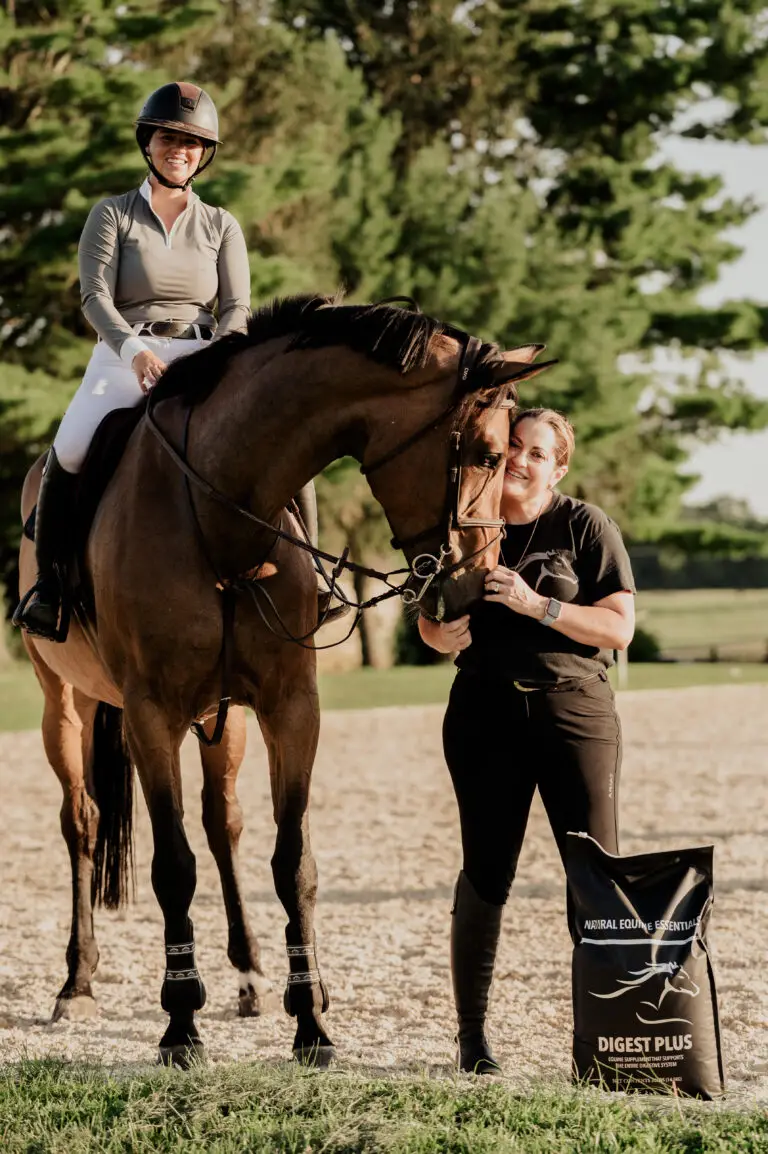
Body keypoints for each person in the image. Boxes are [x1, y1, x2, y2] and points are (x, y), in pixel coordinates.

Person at [14, 82, 331, 640]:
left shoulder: (220, 225)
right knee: (69, 447)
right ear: (149, 143)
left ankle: (320, 573)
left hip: (206, 351)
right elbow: (94, 297)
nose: (178, 149)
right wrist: (133, 351)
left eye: (190, 142)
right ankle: (50, 586)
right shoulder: (111, 214)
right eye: (168, 137)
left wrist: (226, 357)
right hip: (124, 351)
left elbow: (236, 305)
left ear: (203, 153)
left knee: (282, 435)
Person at [418, 407, 636, 1075]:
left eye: (537, 452)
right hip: (483, 717)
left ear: (557, 468)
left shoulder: (584, 526)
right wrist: (438, 634)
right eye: (513, 444)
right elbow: (428, 619)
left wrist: (535, 605)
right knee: (487, 873)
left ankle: (602, 1042)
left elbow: (619, 629)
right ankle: (473, 1041)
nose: (519, 459)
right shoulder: (462, 526)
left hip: (575, 714)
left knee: (593, 875)